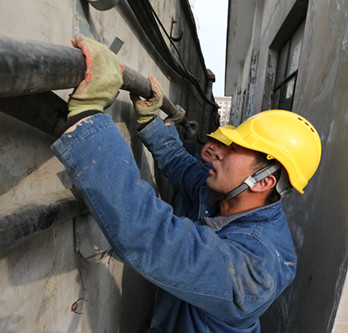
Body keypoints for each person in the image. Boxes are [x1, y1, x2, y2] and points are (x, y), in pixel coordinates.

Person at [51, 34, 322, 332]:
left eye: (232, 150)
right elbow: (182, 166)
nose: (217, 152)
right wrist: (149, 122)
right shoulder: (223, 198)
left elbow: (152, 237)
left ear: (262, 181)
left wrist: (89, 116)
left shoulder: (256, 270)